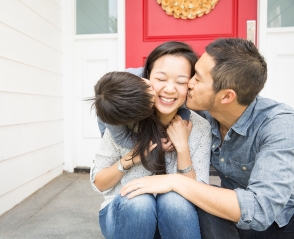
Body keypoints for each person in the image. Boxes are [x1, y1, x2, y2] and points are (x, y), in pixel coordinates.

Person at [120, 38, 294, 239]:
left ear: (226, 97)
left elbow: (260, 210)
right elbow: (114, 88)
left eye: (197, 79)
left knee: (191, 195)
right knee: (183, 208)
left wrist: (178, 181)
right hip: (232, 216)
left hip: (280, 223)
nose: (188, 83)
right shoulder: (203, 110)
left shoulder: (279, 126)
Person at [89, 41, 212, 239]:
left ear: (190, 84)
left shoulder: (198, 126)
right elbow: (99, 183)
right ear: (147, 79)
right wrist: (132, 158)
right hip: (126, 215)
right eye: (161, 79)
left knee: (175, 200)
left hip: (175, 220)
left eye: (180, 82)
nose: (170, 89)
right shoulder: (126, 118)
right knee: (140, 201)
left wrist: (182, 148)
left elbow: (198, 193)